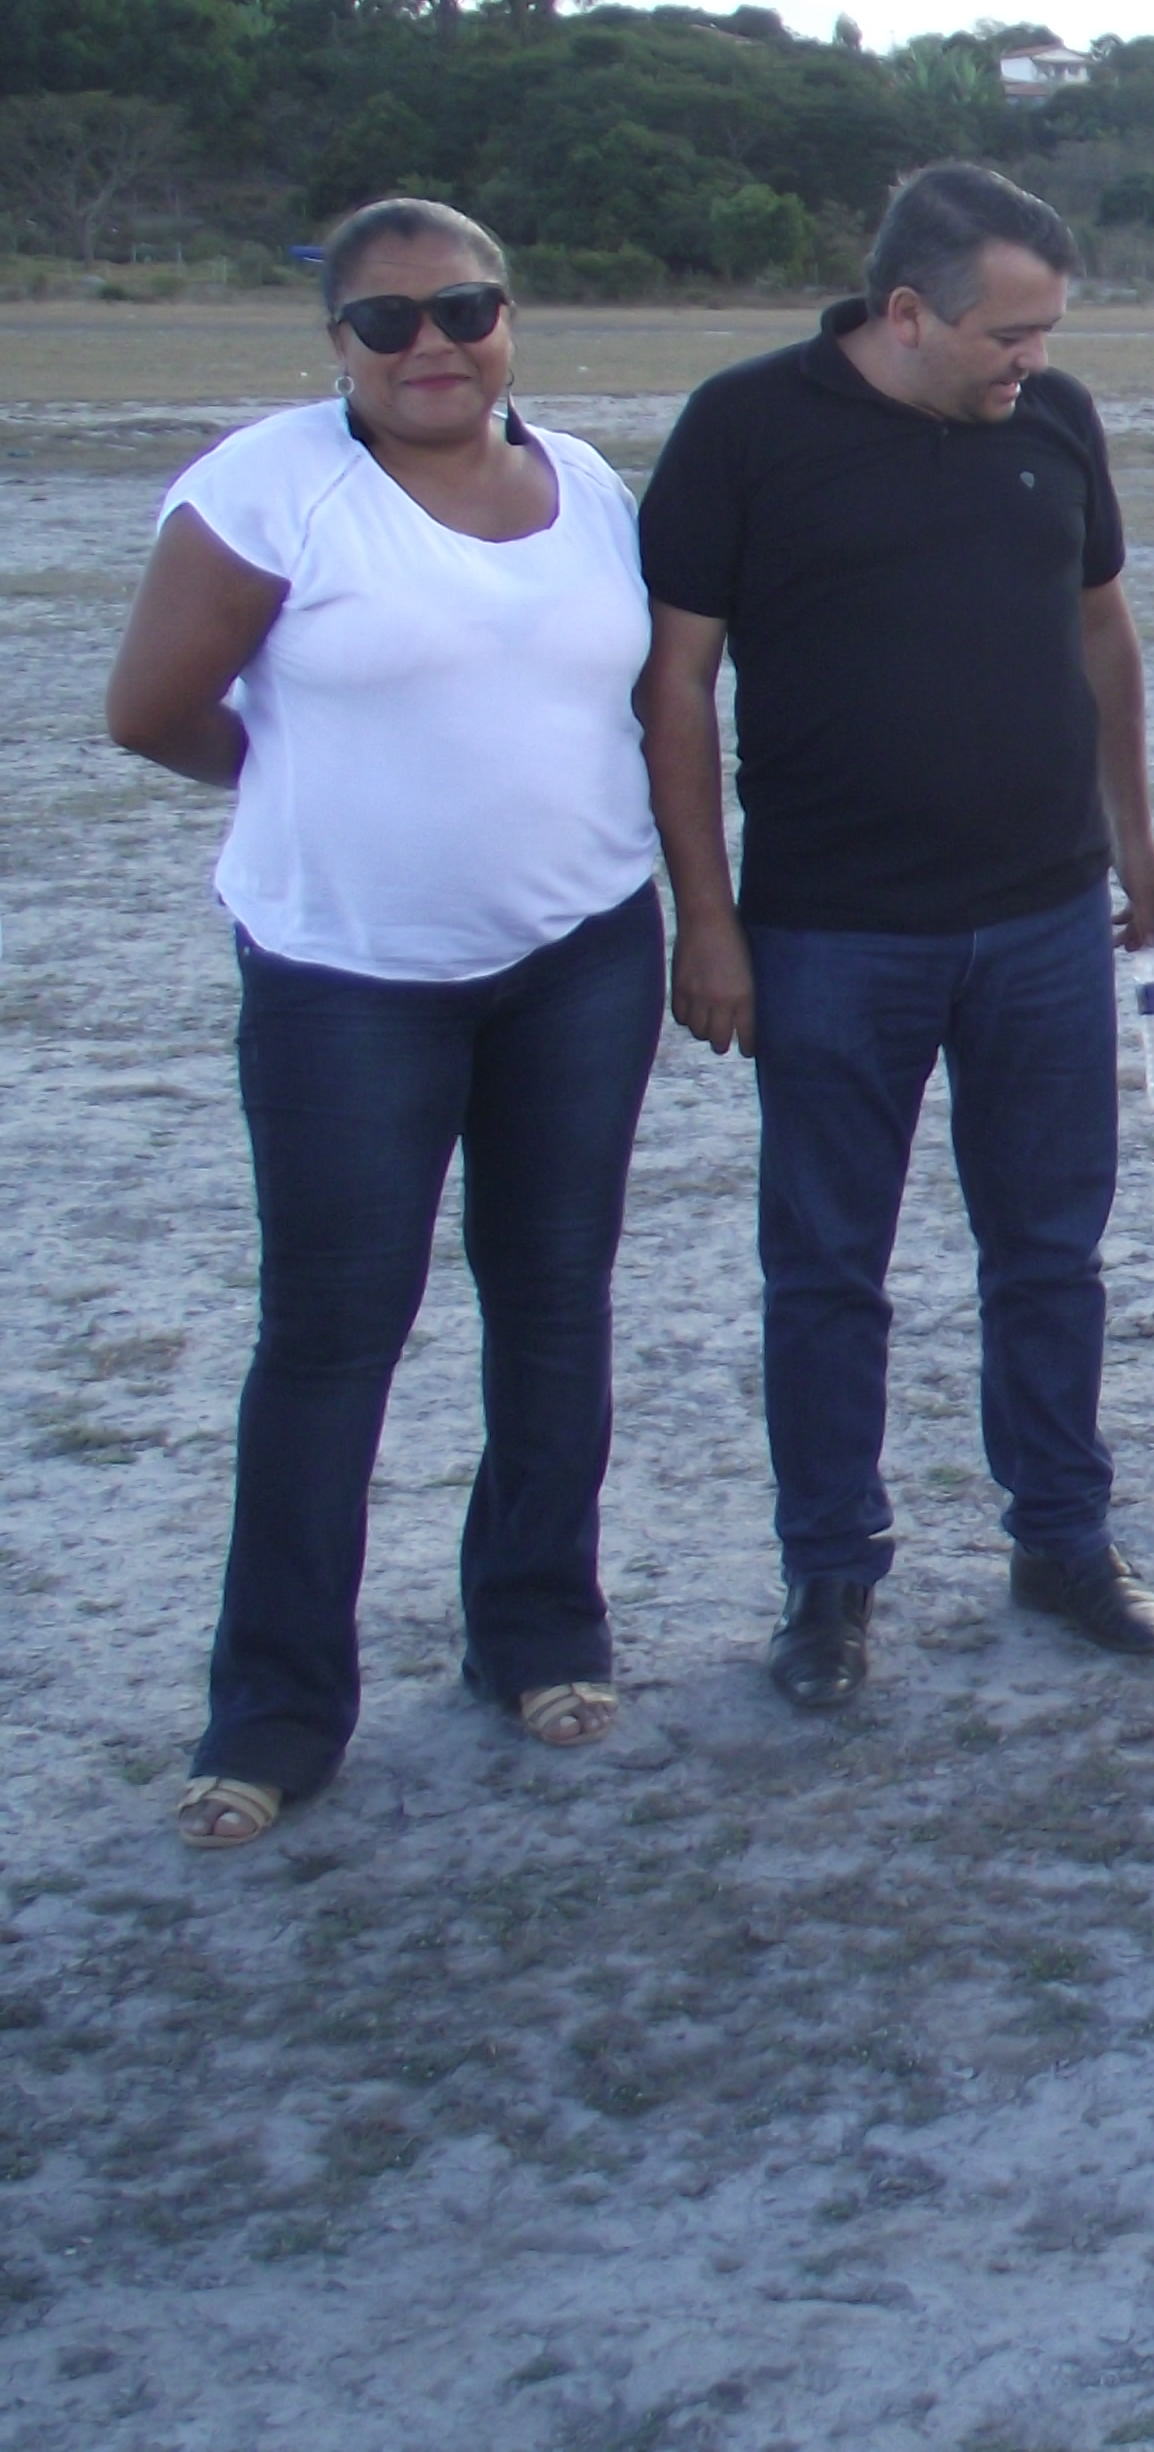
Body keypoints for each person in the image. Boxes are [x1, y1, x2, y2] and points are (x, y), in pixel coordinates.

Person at [108, 206, 665, 1847]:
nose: (432, 345)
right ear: (335, 340)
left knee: (554, 1299)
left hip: (580, 954)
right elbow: (152, 709)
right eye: (388, 322)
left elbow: (620, 698)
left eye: (466, 309)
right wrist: (311, 792)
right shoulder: (269, 490)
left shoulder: (588, 485)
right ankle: (277, 1705)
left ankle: (537, 1625)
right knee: (333, 1334)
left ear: (512, 315)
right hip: (348, 977)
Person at [638, 164, 1154, 1709]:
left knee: (1050, 1255)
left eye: (1047, 334)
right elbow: (675, 685)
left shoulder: (1055, 422)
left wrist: (1135, 841)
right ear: (902, 311)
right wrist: (710, 918)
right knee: (827, 1269)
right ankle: (829, 1582)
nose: (1033, 363)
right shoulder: (746, 433)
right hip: (831, 934)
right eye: (1006, 335)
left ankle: (1065, 1542)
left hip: (1037, 921)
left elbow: (1101, 632)